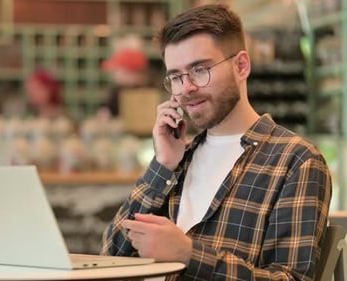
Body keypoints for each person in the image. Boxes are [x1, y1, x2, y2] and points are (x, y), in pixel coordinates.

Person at [101, 4, 332, 281]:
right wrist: (162, 165)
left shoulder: (296, 161)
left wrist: (188, 253)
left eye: (200, 70)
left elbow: (292, 278)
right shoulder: (178, 158)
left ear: (241, 65)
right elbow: (111, 256)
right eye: (176, 76)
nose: (187, 88)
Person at [100, 48, 150, 117]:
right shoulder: (117, 90)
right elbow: (108, 107)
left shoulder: (147, 93)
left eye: (117, 70)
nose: (114, 74)